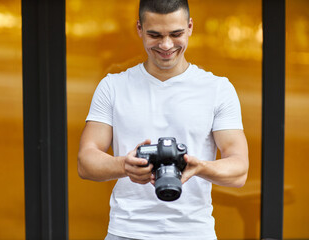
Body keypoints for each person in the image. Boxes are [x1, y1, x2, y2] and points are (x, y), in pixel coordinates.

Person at [77, 0, 249, 239]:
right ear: (139, 29)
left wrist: (200, 167)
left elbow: (239, 169)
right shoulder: (113, 86)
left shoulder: (218, 89)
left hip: (194, 232)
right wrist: (124, 166)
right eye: (155, 35)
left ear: (190, 27)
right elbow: (85, 161)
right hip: (126, 231)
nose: (166, 45)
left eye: (176, 34)